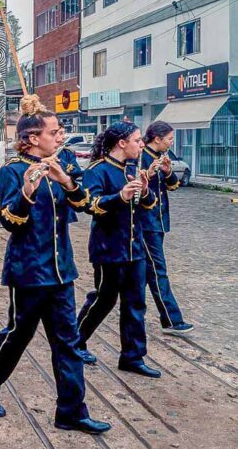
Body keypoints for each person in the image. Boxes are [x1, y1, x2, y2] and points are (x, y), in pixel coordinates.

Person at [0, 96, 111, 435]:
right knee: (19, 334)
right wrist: (27, 191)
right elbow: (9, 221)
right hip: (29, 270)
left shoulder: (61, 163)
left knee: (68, 341)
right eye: (55, 131)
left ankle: (71, 411)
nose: (60, 136)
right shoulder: (12, 171)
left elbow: (84, 205)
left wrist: (66, 181)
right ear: (33, 138)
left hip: (62, 270)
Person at [76, 122, 162, 378]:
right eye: (137, 140)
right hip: (109, 248)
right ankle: (75, 341)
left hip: (135, 247)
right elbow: (90, 205)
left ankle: (132, 356)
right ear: (121, 143)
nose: (141, 145)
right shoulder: (98, 170)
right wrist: (120, 197)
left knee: (136, 303)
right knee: (103, 300)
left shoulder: (133, 170)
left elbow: (148, 205)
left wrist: (144, 191)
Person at [141, 121, 193, 335]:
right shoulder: (141, 157)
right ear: (157, 138)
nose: (171, 143)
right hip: (146, 222)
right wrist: (150, 174)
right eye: (169, 139)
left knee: (144, 272)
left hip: (160, 220)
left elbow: (172, 186)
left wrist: (168, 170)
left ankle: (133, 310)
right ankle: (171, 319)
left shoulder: (162, 158)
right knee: (157, 269)